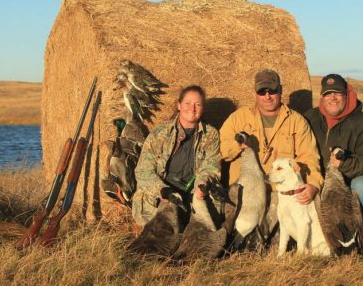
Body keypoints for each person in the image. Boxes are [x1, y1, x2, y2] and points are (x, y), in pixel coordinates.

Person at [220, 69, 323, 206]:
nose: (267, 96)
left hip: (281, 194)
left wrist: (313, 185)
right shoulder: (238, 118)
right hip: (246, 193)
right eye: (262, 92)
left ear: (280, 90)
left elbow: (309, 157)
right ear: (255, 93)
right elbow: (220, 150)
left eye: (272, 91)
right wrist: (238, 145)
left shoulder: (296, 121)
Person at [132, 85, 222, 227]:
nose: (192, 109)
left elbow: (211, 166)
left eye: (197, 104)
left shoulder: (211, 135)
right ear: (179, 105)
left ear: (202, 108)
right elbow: (143, 171)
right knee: (163, 234)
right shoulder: (159, 133)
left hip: (193, 193)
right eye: (187, 103)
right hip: (164, 194)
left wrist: (202, 185)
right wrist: (163, 191)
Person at [305, 74, 363, 206]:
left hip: (347, 181)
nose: (333, 98)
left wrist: (344, 163)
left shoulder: (360, 121)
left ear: (346, 95)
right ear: (322, 97)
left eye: (338, 93)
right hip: (315, 179)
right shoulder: (309, 118)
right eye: (328, 93)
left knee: (361, 185)